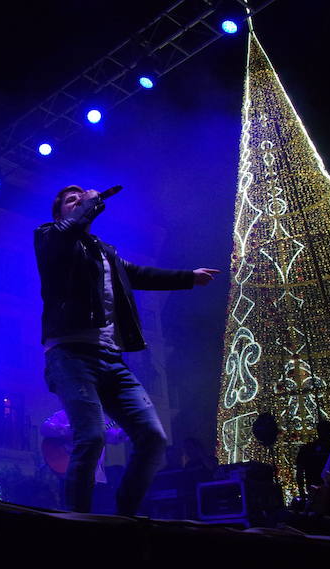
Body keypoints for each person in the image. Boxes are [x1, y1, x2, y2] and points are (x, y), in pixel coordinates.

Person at [34, 185, 218, 515]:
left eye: (82, 197)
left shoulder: (104, 251)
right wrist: (89, 204)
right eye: (71, 200)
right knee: (90, 438)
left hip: (110, 359)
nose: (80, 201)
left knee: (153, 438)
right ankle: (75, 523)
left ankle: (124, 515)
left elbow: (139, 274)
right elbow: (66, 232)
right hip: (71, 355)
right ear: (60, 212)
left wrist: (188, 278)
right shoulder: (49, 237)